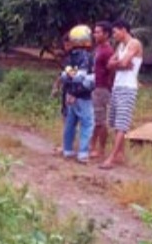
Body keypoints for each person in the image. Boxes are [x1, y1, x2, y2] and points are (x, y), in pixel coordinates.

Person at [100, 20, 143, 170]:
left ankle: (112, 157)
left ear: (123, 30)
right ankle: (120, 154)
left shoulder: (134, 43)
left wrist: (119, 64)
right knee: (114, 121)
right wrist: (120, 64)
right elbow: (110, 65)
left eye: (115, 32)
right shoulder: (121, 46)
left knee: (121, 124)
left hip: (128, 87)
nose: (114, 35)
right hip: (118, 86)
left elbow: (124, 63)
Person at [58, 25, 96, 164]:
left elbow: (64, 76)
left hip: (70, 94)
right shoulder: (86, 56)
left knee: (70, 123)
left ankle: (67, 150)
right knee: (87, 124)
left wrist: (70, 91)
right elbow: (82, 77)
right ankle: (83, 153)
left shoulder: (70, 56)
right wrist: (79, 88)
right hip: (83, 95)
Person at [91, 21, 115, 159]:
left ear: (106, 34)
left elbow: (111, 70)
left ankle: (101, 149)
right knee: (96, 119)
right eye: (95, 32)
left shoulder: (107, 51)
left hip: (102, 87)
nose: (95, 34)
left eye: (98, 32)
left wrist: (108, 85)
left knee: (100, 120)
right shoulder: (99, 48)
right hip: (96, 86)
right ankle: (92, 146)